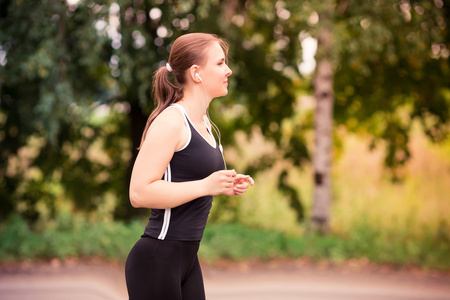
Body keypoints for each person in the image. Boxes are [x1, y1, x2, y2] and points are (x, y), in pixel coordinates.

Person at [125, 33, 254, 300]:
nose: (228, 70)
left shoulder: (206, 123)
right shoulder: (172, 121)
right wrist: (205, 185)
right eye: (220, 63)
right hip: (157, 259)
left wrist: (223, 184)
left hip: (187, 260)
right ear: (196, 73)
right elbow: (138, 193)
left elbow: (190, 177)